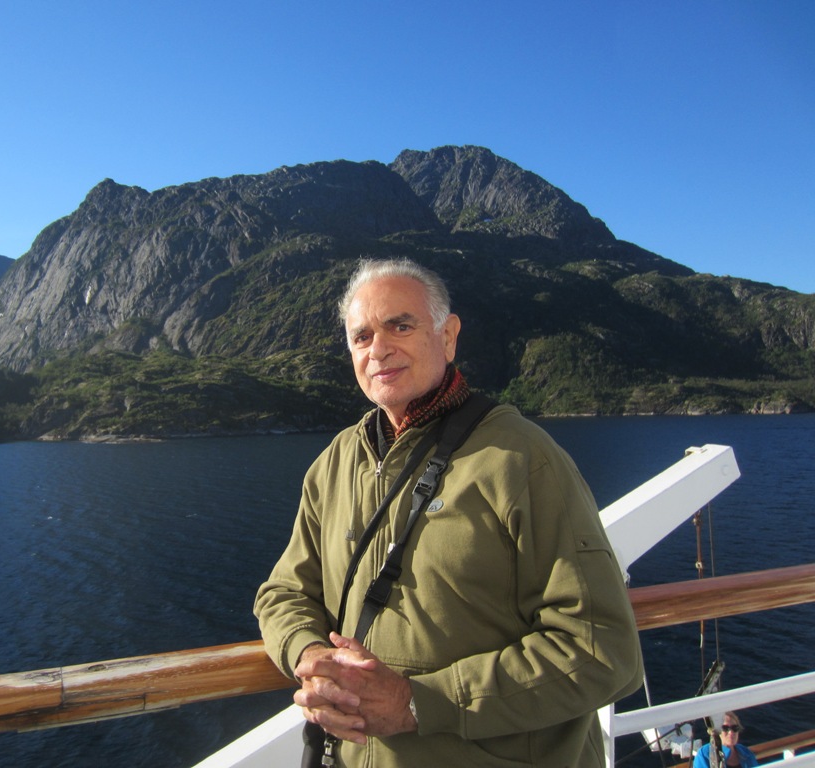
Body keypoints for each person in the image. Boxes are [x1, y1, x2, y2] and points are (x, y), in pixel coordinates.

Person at [254, 258, 644, 767]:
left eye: (400, 325)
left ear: (449, 335)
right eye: (362, 336)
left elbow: (603, 651)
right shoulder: (335, 463)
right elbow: (283, 593)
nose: (379, 349)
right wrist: (309, 655)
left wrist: (419, 703)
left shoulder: (522, 460)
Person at [693, 712, 758, 768]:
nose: (731, 732)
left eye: (735, 728)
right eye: (725, 728)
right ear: (717, 731)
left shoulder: (746, 753)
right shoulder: (704, 754)